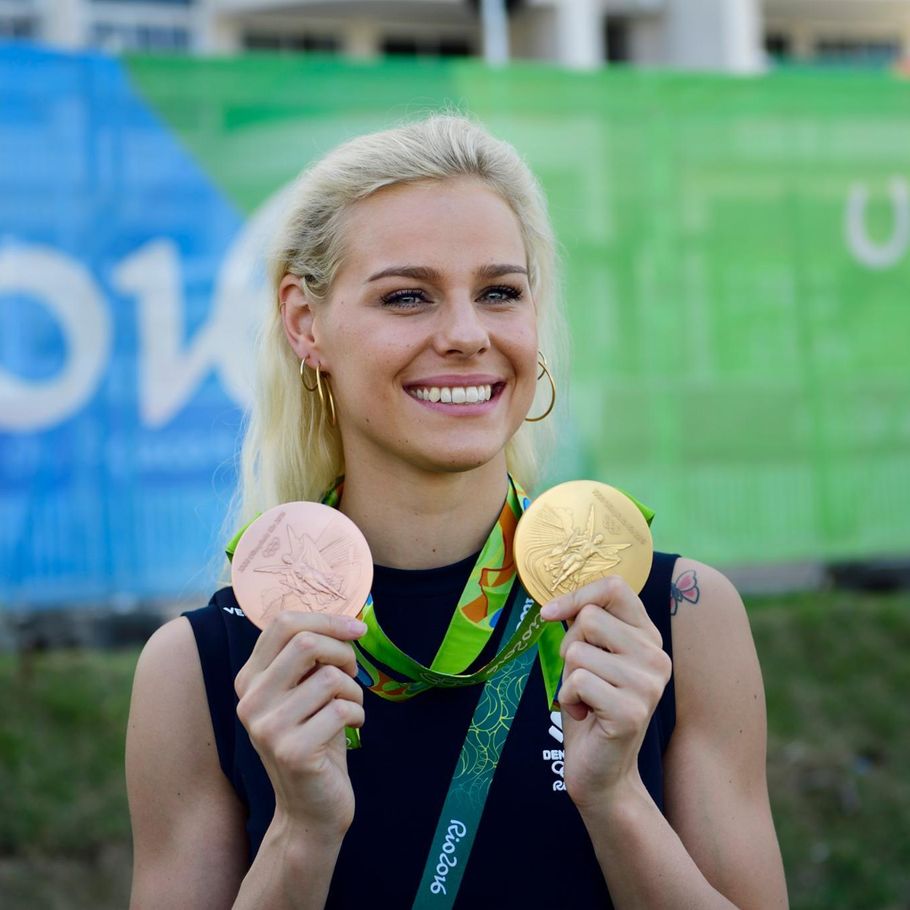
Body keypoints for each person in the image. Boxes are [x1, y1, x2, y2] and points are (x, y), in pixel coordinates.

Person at [126, 114, 788, 909]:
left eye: (499, 293)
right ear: (307, 324)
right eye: (408, 297)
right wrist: (300, 833)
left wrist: (617, 800)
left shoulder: (678, 617)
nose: (468, 335)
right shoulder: (203, 667)